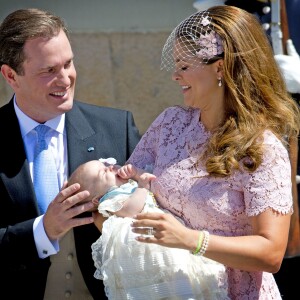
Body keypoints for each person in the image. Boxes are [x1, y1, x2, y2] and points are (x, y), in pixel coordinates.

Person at [94, 5, 300, 299]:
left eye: (184, 66)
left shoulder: (262, 150)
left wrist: (191, 240)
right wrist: (106, 210)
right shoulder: (169, 124)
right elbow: (121, 199)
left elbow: (271, 253)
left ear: (220, 67)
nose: (175, 76)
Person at [0, 8, 140, 300]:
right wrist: (43, 230)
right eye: (49, 70)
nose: (65, 79)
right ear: (11, 76)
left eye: (68, 64)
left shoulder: (117, 128)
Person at [68, 158, 229, 300]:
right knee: (168, 272)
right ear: (97, 199)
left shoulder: (127, 185)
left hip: (165, 231)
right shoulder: (110, 200)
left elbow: (151, 178)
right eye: (103, 173)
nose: (109, 167)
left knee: (185, 269)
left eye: (104, 164)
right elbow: (133, 209)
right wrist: (142, 185)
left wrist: (136, 174)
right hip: (148, 244)